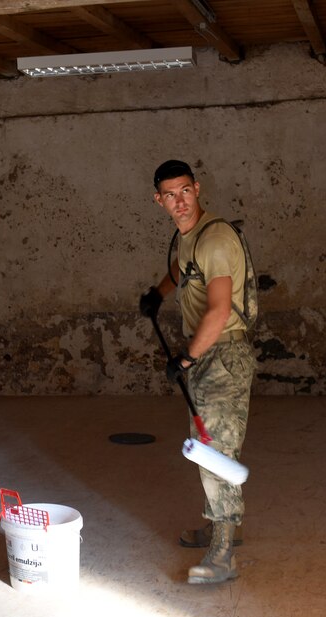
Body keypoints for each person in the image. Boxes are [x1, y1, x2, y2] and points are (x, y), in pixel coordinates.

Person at [139, 159, 257, 585]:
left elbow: (220, 309)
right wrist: (159, 291)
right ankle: (219, 527)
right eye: (170, 195)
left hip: (222, 355)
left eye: (185, 191)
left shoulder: (215, 239)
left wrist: (185, 358)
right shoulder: (189, 237)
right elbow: (183, 269)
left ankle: (223, 554)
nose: (180, 201)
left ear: (198, 188)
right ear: (159, 200)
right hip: (208, 354)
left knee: (215, 453)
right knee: (208, 449)